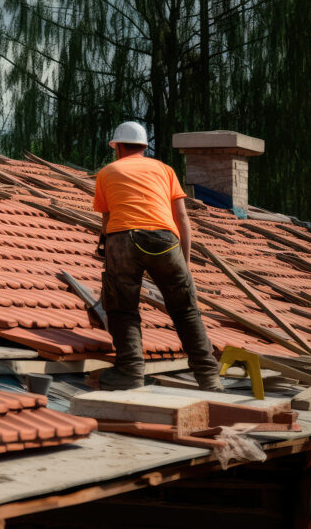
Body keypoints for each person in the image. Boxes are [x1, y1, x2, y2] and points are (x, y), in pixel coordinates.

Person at [92, 121, 223, 391]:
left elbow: (107, 221)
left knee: (122, 309)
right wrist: (185, 265)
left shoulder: (107, 172)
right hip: (164, 241)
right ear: (143, 147)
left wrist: (108, 254)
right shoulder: (165, 170)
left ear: (117, 148)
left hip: (122, 240)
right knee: (186, 310)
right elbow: (182, 219)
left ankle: (130, 372)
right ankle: (209, 377)